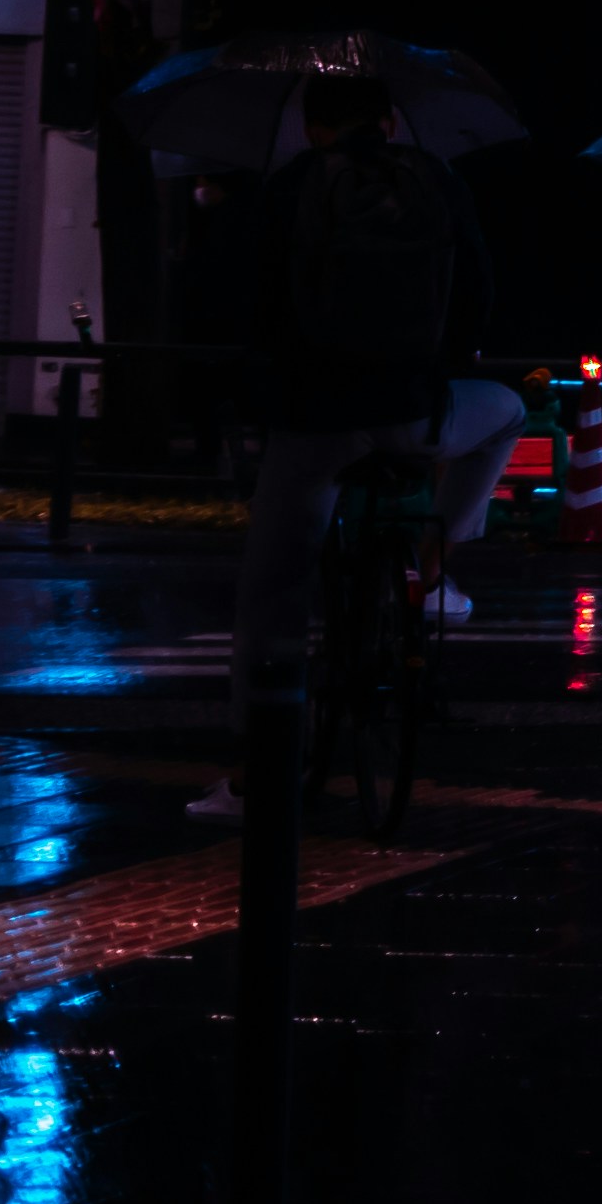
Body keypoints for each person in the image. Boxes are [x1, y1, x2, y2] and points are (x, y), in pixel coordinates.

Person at [196, 68, 517, 821]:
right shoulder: (436, 181)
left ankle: (259, 776)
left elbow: (251, 306)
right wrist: (443, 368)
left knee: (272, 592)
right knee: (505, 413)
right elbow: (478, 290)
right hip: (418, 413)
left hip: (314, 421)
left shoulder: (291, 187)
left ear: (313, 127)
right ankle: (434, 568)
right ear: (392, 123)